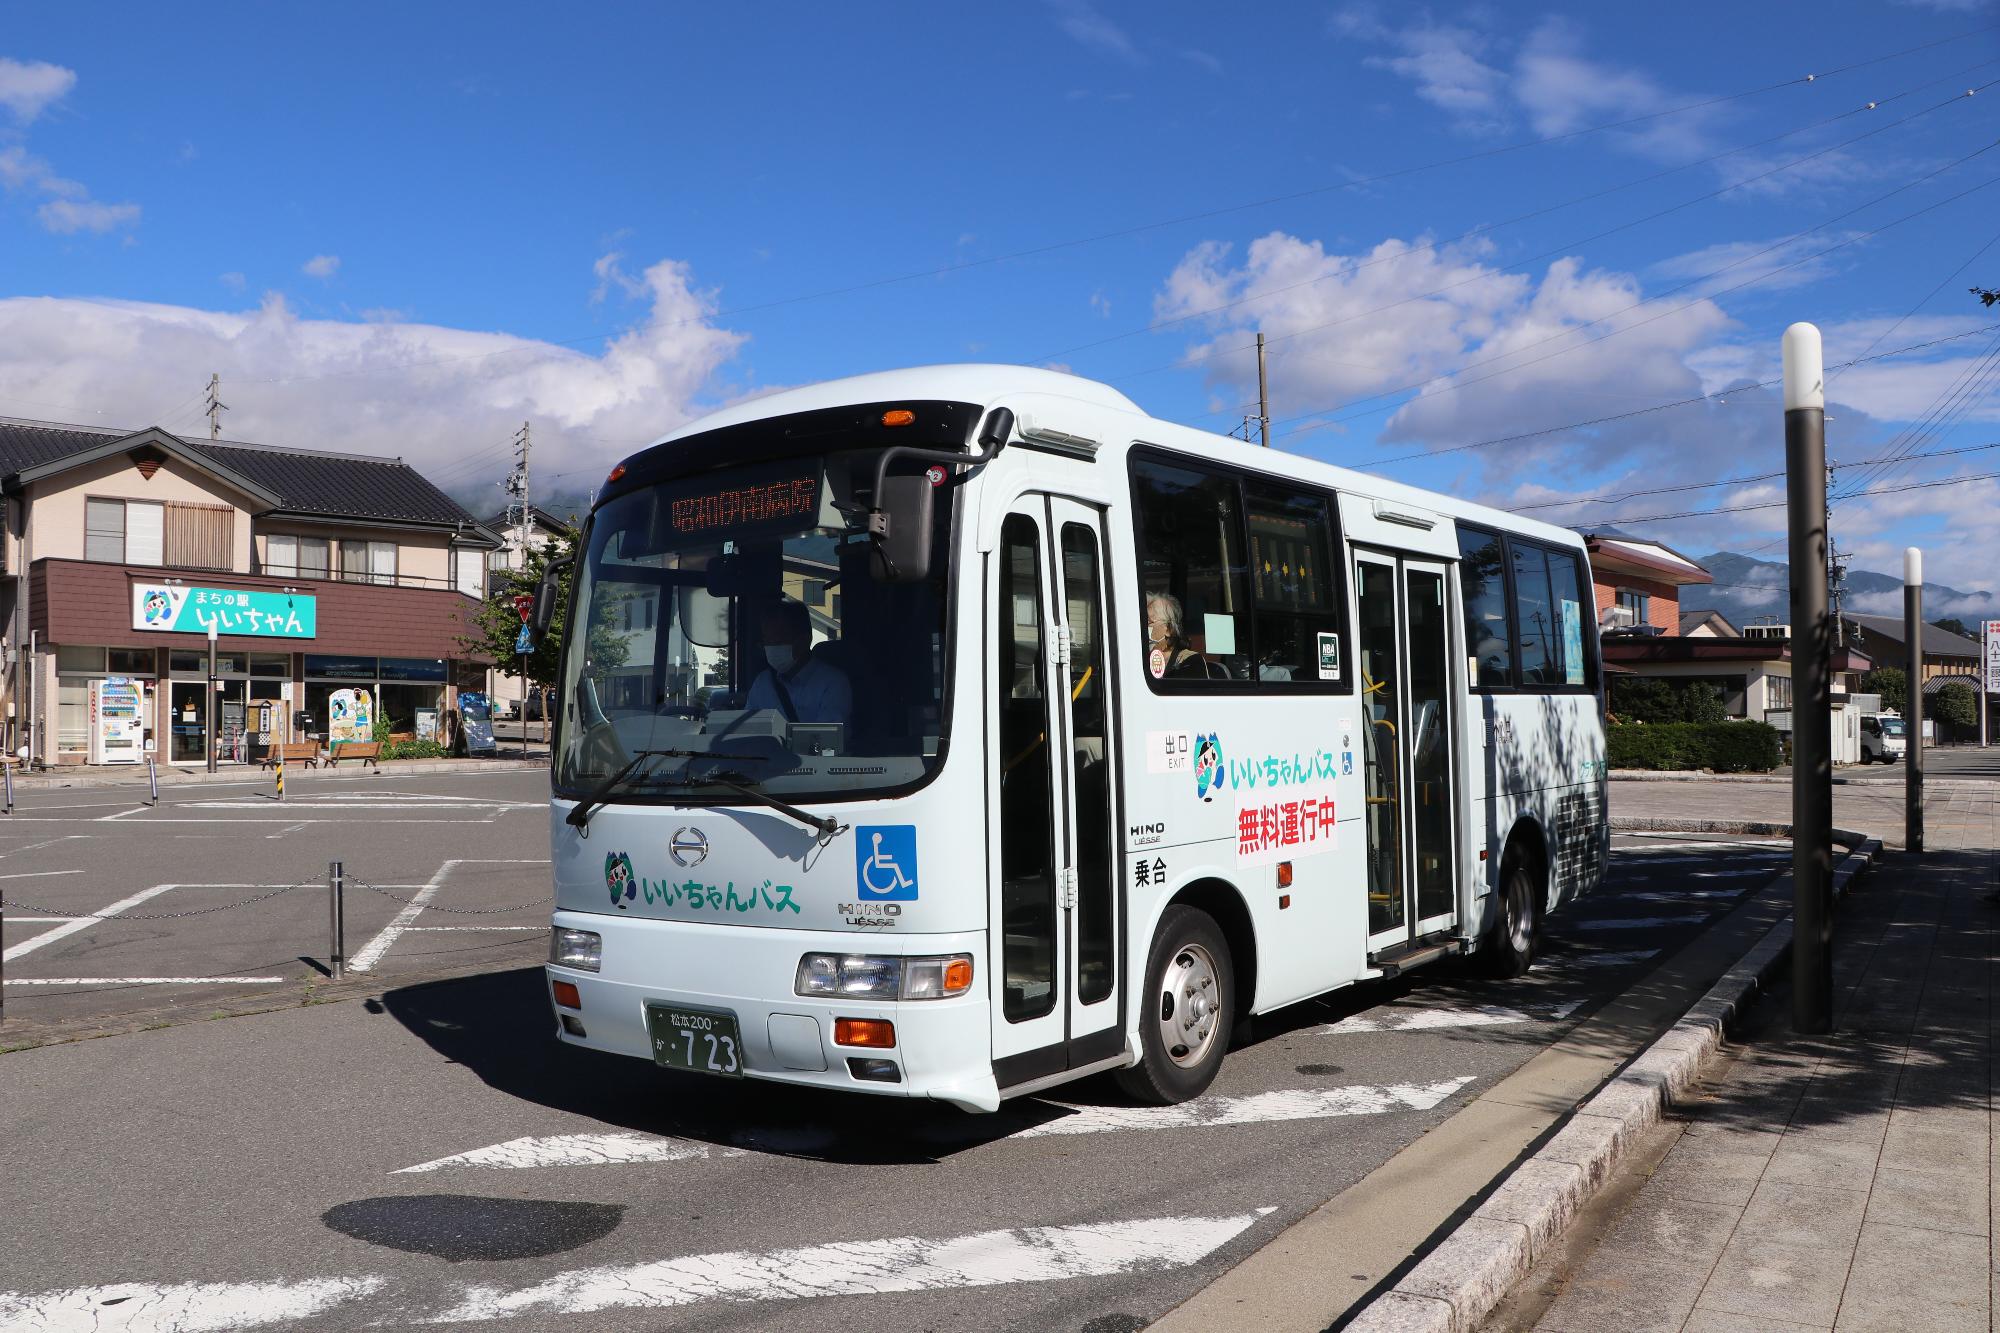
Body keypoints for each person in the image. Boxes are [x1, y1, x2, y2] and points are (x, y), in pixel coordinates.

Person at [746, 599, 853, 726]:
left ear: (804, 640)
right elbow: (748, 732)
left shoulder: (832, 683)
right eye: (767, 641)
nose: (771, 647)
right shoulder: (762, 682)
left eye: (778, 640)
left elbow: (827, 740)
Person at [1146, 592, 1218, 680]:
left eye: (1149, 622)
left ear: (1169, 629)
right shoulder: (1140, 657)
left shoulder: (1190, 661)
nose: (1143, 627)